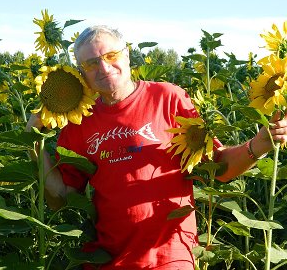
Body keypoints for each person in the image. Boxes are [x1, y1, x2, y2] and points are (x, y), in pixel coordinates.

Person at [26, 25, 287, 270]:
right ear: (81, 72)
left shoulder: (168, 98)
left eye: (111, 55)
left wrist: (260, 143)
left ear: (127, 55)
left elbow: (217, 166)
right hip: (107, 260)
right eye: (91, 63)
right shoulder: (79, 122)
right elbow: (60, 198)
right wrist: (33, 142)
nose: (104, 67)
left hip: (171, 256)